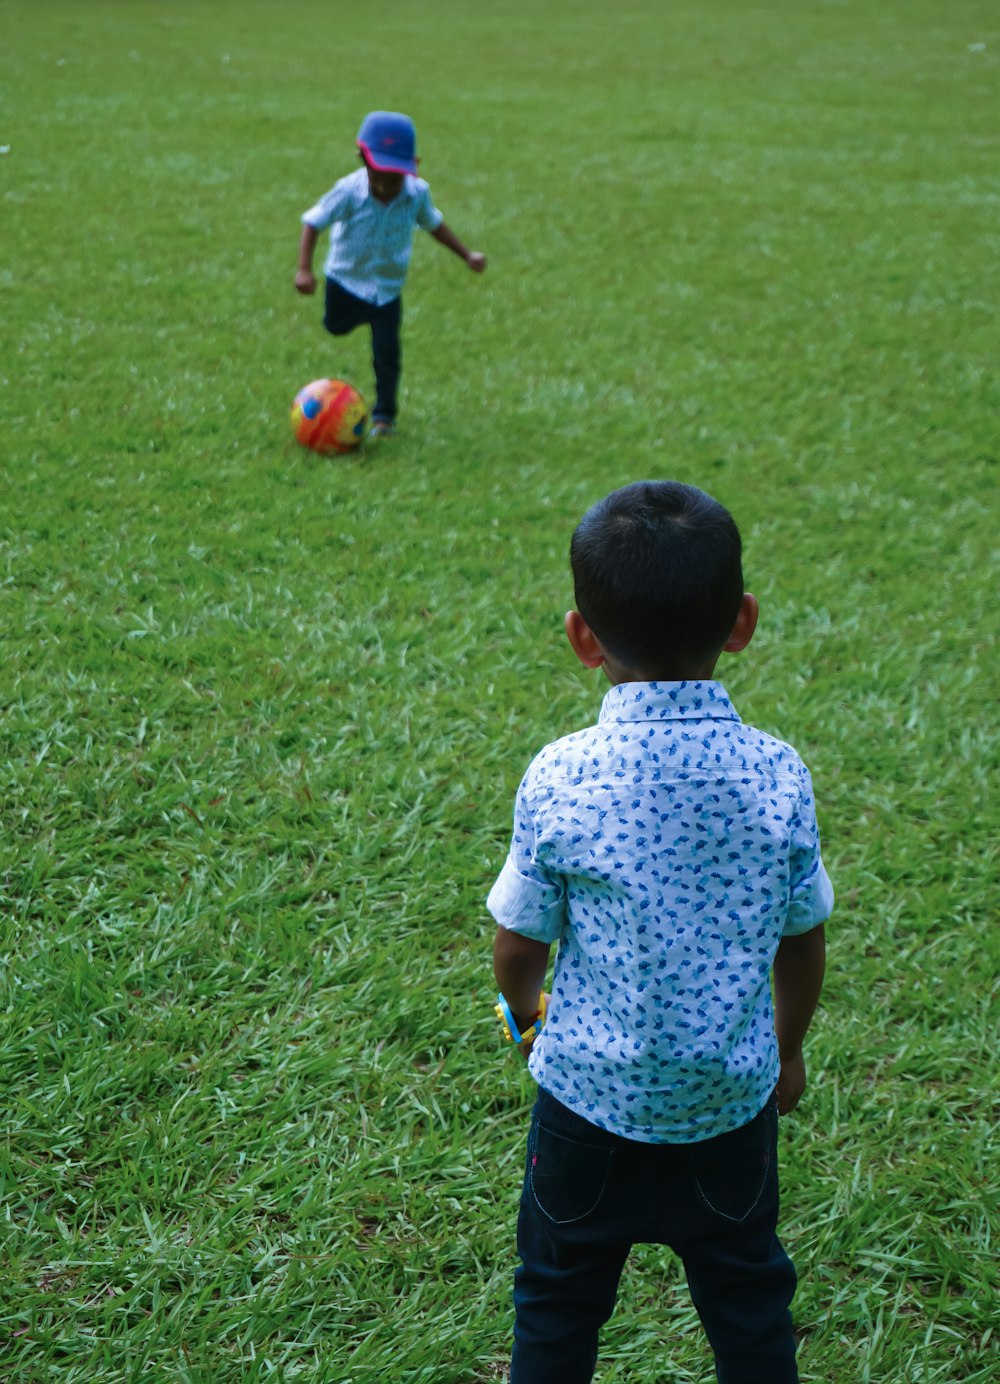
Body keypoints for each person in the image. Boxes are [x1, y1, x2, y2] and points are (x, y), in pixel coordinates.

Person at [488, 480, 834, 1384]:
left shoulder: (561, 775)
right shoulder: (777, 776)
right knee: (752, 1309)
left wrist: (527, 1019)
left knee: (556, 1311)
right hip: (729, 1112)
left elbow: (519, 943)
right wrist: (786, 1051)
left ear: (581, 637)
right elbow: (804, 937)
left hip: (584, 1108)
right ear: (742, 621)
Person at [295, 110, 486, 437]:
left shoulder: (416, 193)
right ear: (362, 160)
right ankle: (358, 317)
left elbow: (434, 225)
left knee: (387, 353)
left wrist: (467, 255)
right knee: (335, 326)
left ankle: (384, 417)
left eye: (394, 178)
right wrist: (304, 270)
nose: (384, 185)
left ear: (413, 166)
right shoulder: (348, 191)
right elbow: (313, 222)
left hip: (387, 288)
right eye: (377, 174)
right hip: (345, 279)